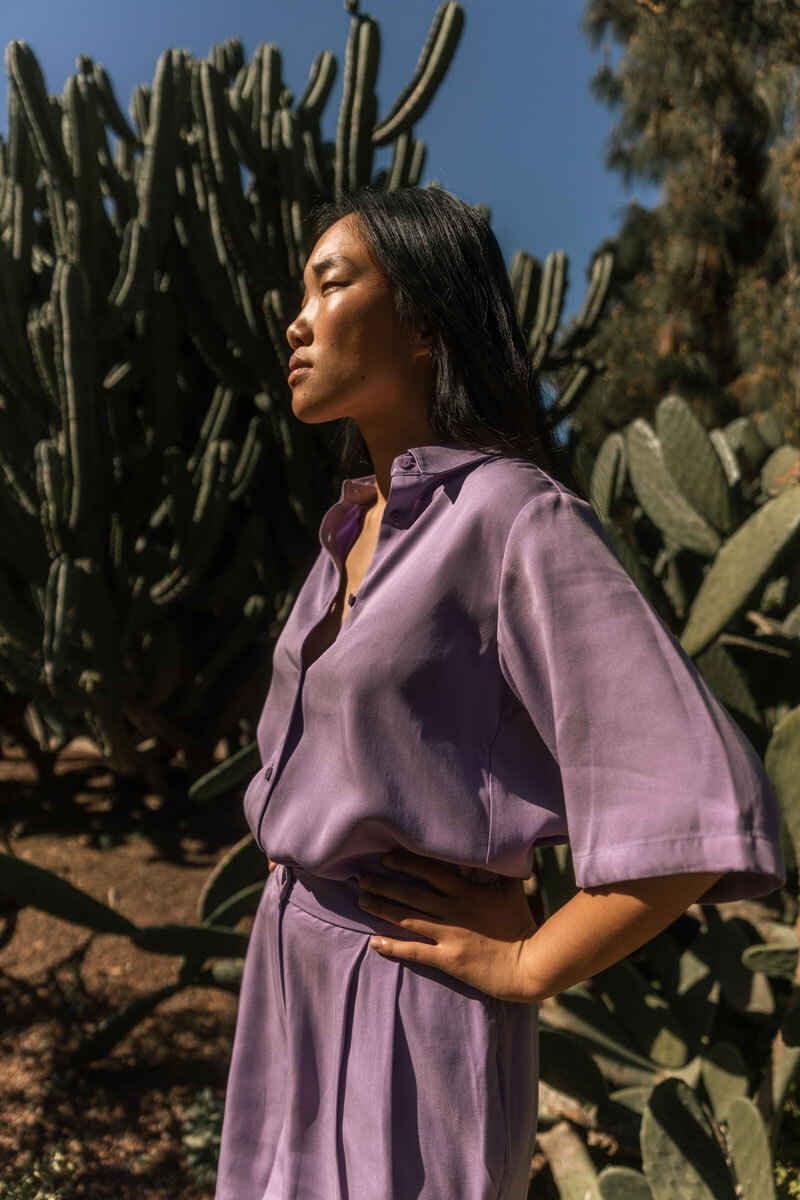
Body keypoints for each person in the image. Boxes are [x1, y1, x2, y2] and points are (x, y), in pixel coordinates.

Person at [214, 185, 786, 1200]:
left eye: (330, 282)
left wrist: (529, 966)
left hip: (411, 996)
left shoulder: (512, 517)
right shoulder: (350, 530)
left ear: (424, 323)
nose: (295, 318)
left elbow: (698, 797)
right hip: (290, 971)